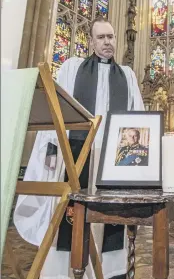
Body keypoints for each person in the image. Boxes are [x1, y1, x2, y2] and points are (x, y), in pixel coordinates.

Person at [14, 17, 145, 279]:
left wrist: (137, 161)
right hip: (76, 155)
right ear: (92, 41)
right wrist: (51, 152)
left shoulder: (128, 76)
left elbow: (137, 119)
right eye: (101, 37)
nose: (107, 42)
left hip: (111, 160)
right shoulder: (72, 68)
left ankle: (108, 271)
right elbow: (57, 112)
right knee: (70, 215)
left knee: (108, 218)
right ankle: (64, 270)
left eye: (111, 36)